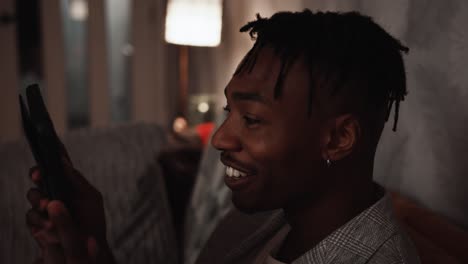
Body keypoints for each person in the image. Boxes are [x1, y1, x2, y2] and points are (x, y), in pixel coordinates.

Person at [25, 10, 420, 264]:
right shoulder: (262, 221)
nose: (219, 138)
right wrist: (93, 250)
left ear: (338, 139)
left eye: (251, 118)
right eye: (230, 111)